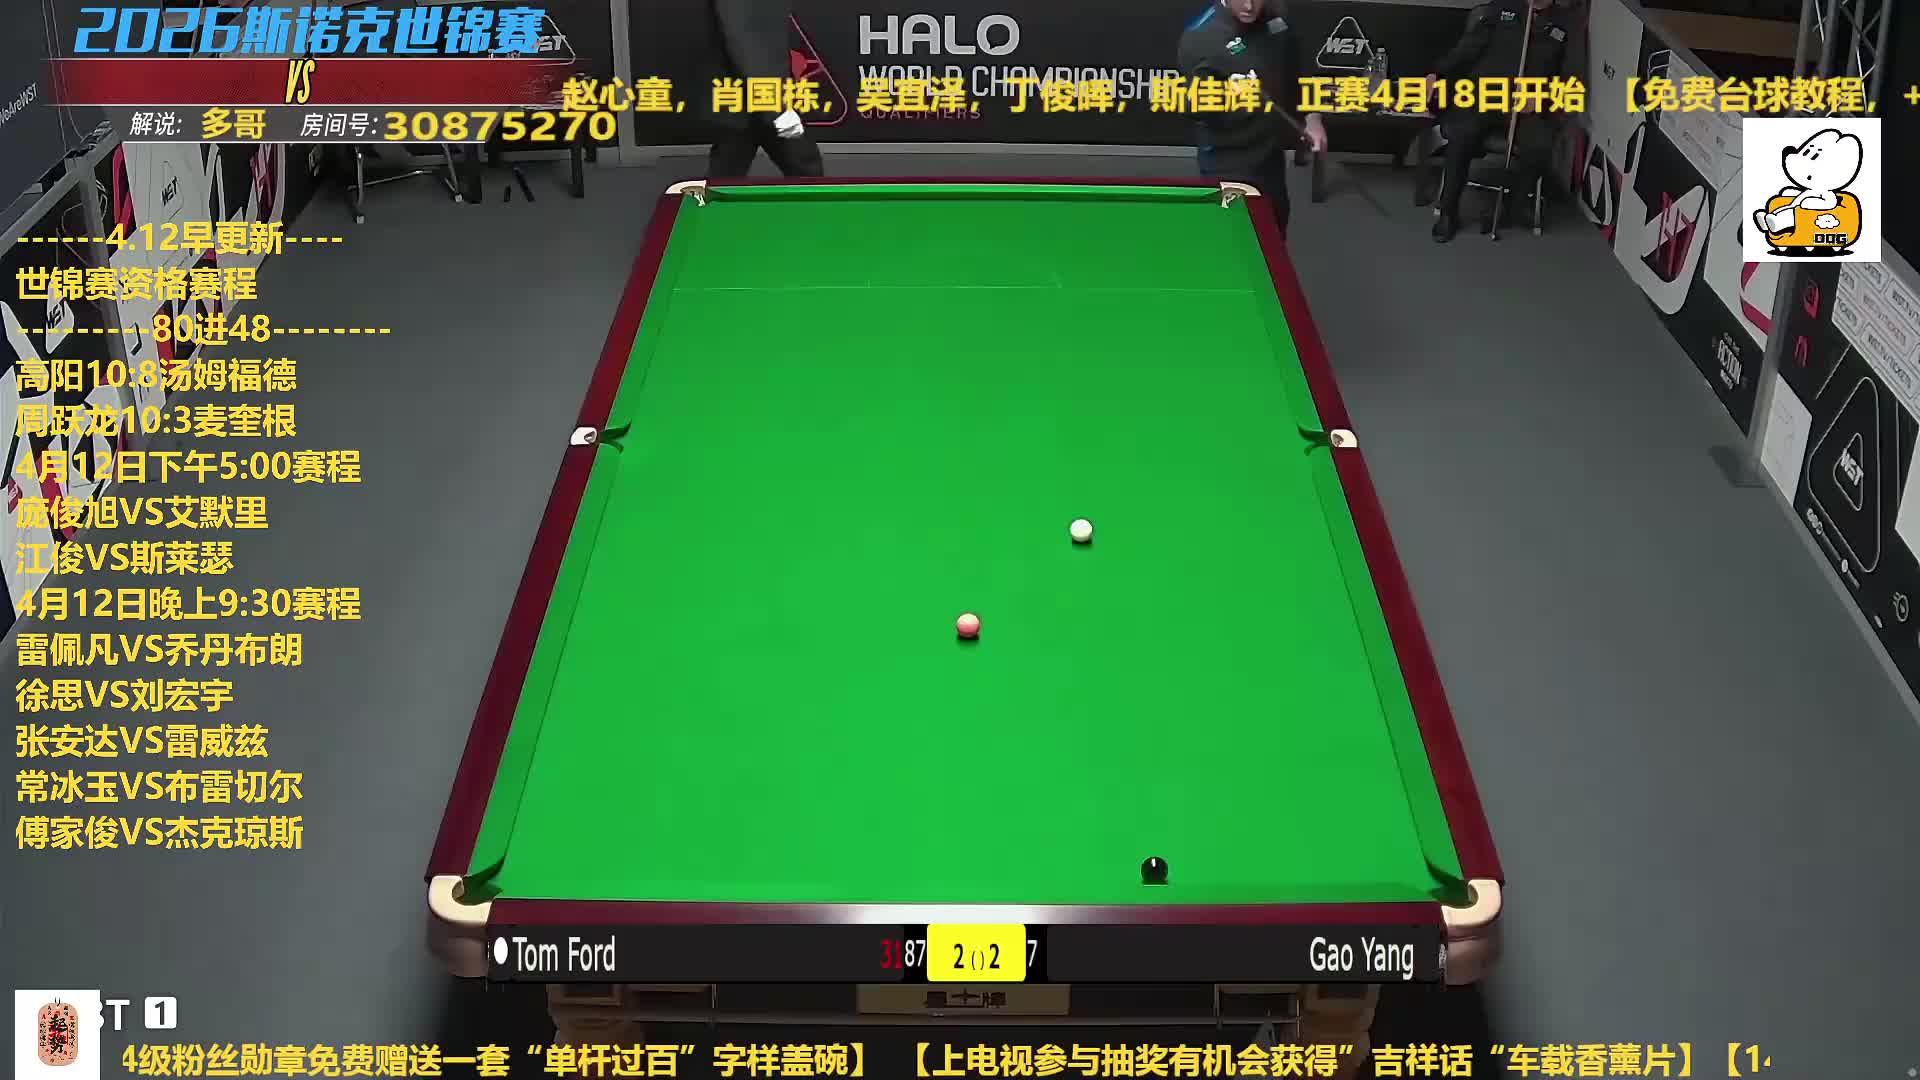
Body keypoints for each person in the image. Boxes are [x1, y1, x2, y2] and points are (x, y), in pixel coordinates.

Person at [1178, 0, 1327, 242]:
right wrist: (1226, 94)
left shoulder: (1277, 21)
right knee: (1233, 240)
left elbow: (1298, 75)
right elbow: (1192, 106)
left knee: (1274, 236)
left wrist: (1312, 117)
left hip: (1271, 159)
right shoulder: (1200, 36)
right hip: (1226, 162)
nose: (1249, 6)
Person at [1422, 0, 1568, 242]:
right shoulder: (1503, 7)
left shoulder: (1565, 24)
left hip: (1526, 108)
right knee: (1462, 132)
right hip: (1484, 96)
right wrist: (1437, 72)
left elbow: (1573, 76)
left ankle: (1511, 206)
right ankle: (1448, 211)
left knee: (1540, 144)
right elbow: (1468, 48)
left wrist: (1543, 97)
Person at [702, 0, 825, 179]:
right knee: (806, 171)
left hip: (751, 100)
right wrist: (777, 109)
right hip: (751, 99)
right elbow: (742, 41)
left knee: (726, 171)